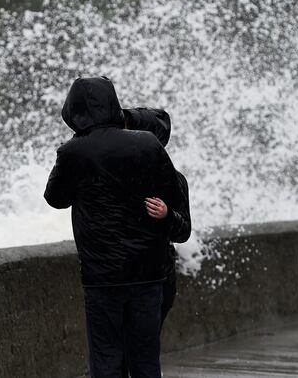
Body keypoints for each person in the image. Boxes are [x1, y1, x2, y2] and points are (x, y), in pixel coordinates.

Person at [43, 77, 186, 378]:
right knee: (145, 361)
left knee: (106, 359)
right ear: (114, 105)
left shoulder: (73, 152)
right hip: (148, 274)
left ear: (73, 110)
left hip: (102, 277)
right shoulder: (148, 143)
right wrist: (124, 117)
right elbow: (162, 125)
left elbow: (56, 199)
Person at [122, 107, 191, 326]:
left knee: (143, 349)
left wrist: (167, 215)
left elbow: (184, 231)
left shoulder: (173, 179)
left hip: (157, 276)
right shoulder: (114, 174)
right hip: (121, 275)